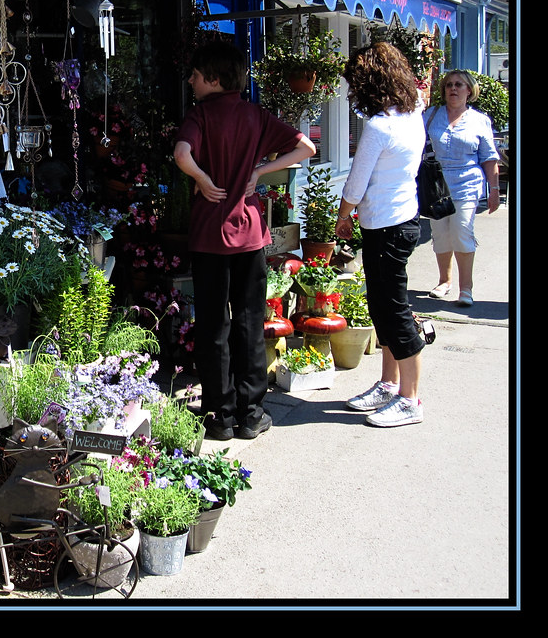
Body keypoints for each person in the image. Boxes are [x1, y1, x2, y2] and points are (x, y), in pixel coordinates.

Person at [174, 40, 316, 441]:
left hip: (208, 238)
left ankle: (219, 415)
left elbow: (182, 154)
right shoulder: (256, 115)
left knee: (213, 326)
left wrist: (202, 180)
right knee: (252, 321)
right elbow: (306, 147)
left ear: (214, 79)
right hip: (250, 234)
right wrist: (261, 171)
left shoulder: (199, 115)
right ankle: (251, 413)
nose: (191, 81)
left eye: (197, 75)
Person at [336, 41, 426, 427]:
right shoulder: (412, 113)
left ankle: (410, 400)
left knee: (393, 310)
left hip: (386, 226)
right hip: (400, 220)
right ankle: (389, 384)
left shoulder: (379, 126)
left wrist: (342, 216)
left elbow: (356, 181)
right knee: (383, 307)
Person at [422, 71, 500, 307]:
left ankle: (466, 288)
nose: (453, 89)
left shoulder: (479, 121)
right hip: (436, 184)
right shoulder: (430, 115)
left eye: (459, 85)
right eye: (449, 85)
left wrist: (494, 189)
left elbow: (488, 157)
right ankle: (444, 281)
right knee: (440, 233)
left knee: (461, 231)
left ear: (469, 90)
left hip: (466, 184)